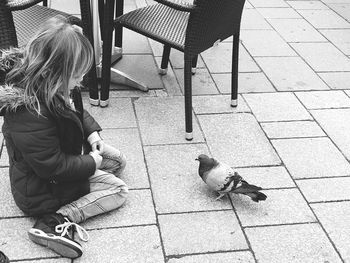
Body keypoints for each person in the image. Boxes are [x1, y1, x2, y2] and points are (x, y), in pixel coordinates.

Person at [0, 16, 128, 259]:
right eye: (77, 75)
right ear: (53, 71)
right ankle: (55, 220)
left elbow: (75, 111)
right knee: (119, 191)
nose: (80, 81)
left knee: (119, 161)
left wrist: (91, 133)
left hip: (60, 162)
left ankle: (90, 176)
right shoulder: (29, 112)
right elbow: (53, 167)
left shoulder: (50, 85)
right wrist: (91, 163)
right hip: (43, 188)